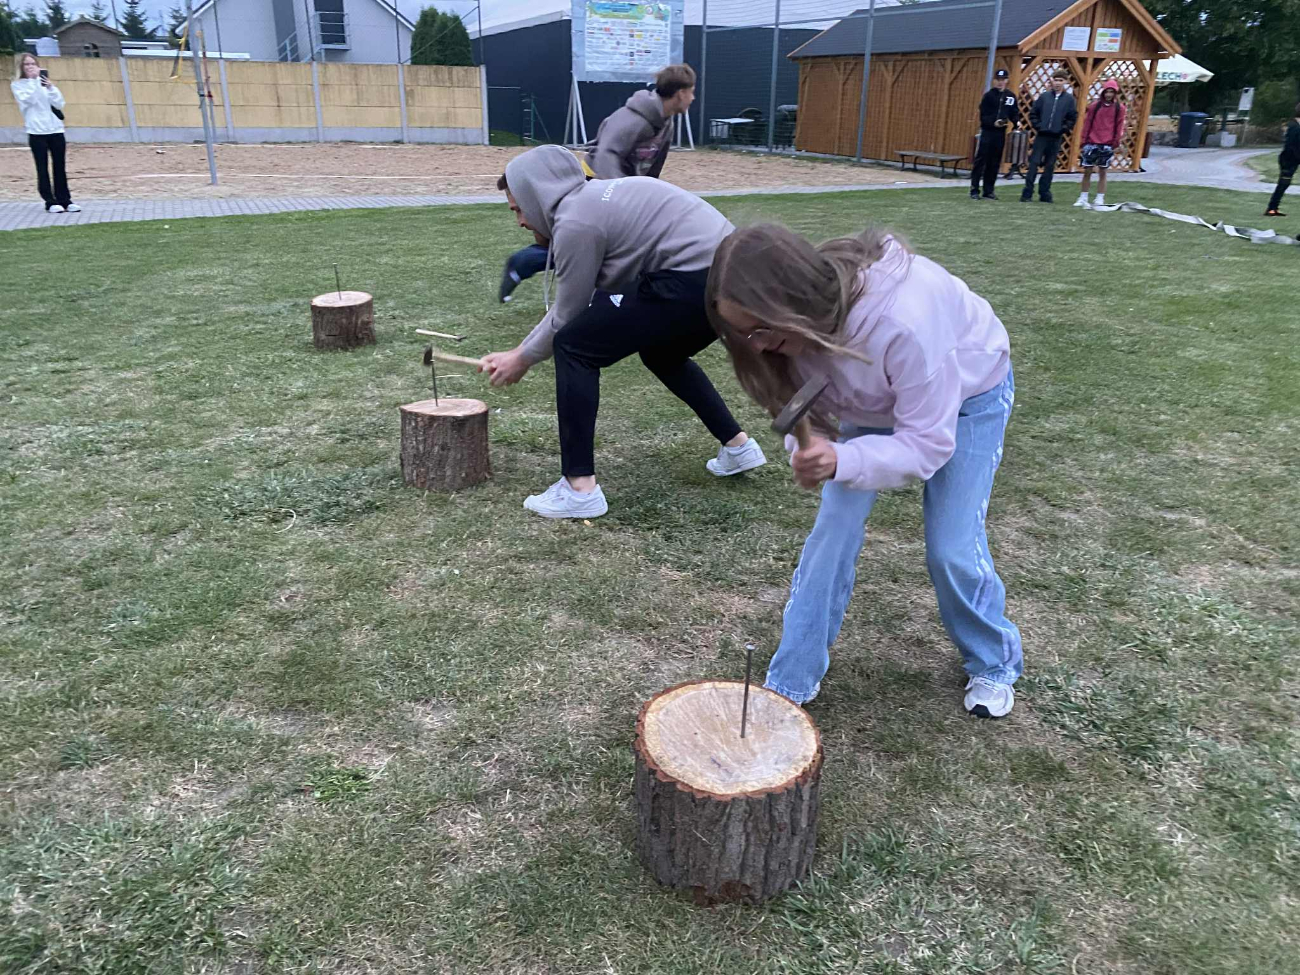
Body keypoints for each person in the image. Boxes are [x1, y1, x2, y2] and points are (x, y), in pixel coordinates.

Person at [707, 224, 1021, 718]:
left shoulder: (905, 325)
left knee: (951, 546)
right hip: (871, 401)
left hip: (967, 396)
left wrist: (842, 459)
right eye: (743, 334)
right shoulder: (779, 338)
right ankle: (790, 680)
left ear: (793, 302)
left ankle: (994, 662)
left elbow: (925, 446)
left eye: (760, 330)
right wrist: (809, 446)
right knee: (832, 535)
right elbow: (803, 412)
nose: (756, 346)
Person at [480, 145, 766, 519]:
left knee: (574, 346)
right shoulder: (596, 197)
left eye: (518, 208)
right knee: (662, 351)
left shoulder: (576, 220)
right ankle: (738, 446)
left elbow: (568, 313)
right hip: (731, 281)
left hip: (695, 281)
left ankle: (579, 488)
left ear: (539, 194)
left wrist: (521, 357)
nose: (518, 220)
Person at [497, 64, 697, 304]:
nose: (693, 98)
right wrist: (623, 198)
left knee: (608, 248)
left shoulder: (667, 124)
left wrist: (647, 196)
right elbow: (606, 156)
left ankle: (606, 295)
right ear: (680, 93)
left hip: (620, 189)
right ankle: (524, 263)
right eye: (692, 91)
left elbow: (654, 166)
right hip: (595, 182)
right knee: (588, 247)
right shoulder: (632, 117)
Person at [10, 54, 80, 214]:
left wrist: (50, 87)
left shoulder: (44, 84)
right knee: (42, 167)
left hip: (55, 129)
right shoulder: (18, 85)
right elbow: (29, 101)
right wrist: (35, 82)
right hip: (36, 131)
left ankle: (65, 199)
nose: (30, 67)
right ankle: (50, 201)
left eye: (33, 64)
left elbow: (59, 103)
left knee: (60, 166)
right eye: (26, 64)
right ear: (21, 67)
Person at [1020, 69, 1077, 204]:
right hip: (1042, 135)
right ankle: (1027, 193)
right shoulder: (1044, 97)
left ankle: (1044, 193)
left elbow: (1072, 117)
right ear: (1052, 80)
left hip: (1056, 137)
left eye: (1060, 80)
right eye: (1056, 80)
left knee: (1050, 165)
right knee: (1033, 163)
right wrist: (1039, 126)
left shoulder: (1069, 100)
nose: (1057, 83)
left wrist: (1062, 129)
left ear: (1065, 82)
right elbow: (1033, 113)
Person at [1074, 79, 1126, 210]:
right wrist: (1083, 141)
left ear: (1115, 93)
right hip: (1091, 142)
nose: (1109, 95)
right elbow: (1087, 123)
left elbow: (1119, 127)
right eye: (1107, 92)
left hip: (1107, 144)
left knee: (1103, 171)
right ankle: (1083, 197)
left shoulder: (1120, 108)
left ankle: (1099, 197)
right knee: (1087, 170)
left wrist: (1115, 143)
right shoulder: (1094, 106)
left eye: (1111, 92)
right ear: (1103, 92)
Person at [970, 68, 1019, 200]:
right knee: (981, 161)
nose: (1000, 82)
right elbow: (983, 116)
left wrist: (1016, 123)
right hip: (988, 132)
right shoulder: (988, 96)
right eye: (998, 80)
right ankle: (974, 189)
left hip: (1000, 134)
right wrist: (993, 122)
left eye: (1003, 80)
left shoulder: (1010, 96)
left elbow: (1014, 112)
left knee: (994, 162)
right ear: (994, 81)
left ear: (1007, 81)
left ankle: (989, 190)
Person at [1264, 102, 1300, 218]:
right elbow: (1290, 145)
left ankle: (1273, 207)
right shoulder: (1293, 125)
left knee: (1285, 183)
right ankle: (1271, 208)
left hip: (1295, 158)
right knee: (1283, 183)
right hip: (1289, 158)